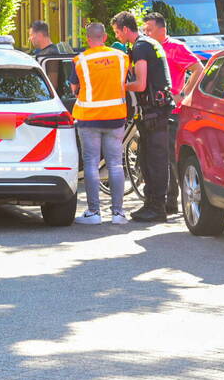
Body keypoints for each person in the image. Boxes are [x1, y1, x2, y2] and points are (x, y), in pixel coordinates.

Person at [111, 11, 174, 223]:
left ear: (125, 29)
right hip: (158, 110)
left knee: (153, 161)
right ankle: (153, 204)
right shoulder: (149, 44)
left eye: (117, 32)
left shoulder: (140, 47)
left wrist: (119, 86)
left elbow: (140, 84)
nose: (118, 36)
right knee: (150, 159)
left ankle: (156, 207)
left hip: (153, 112)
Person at [143, 11, 205, 213]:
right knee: (159, 155)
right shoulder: (149, 48)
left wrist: (184, 94)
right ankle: (166, 198)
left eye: (150, 30)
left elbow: (198, 68)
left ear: (163, 30)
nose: (147, 33)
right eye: (145, 30)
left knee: (170, 155)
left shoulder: (176, 47)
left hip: (173, 109)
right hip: (156, 108)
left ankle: (173, 200)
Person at [68, 23, 130, 225]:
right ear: (104, 37)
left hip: (89, 119)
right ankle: (118, 213)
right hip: (115, 117)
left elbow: (74, 88)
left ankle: (94, 213)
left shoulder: (80, 61)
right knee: (115, 163)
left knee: (91, 164)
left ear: (88, 39)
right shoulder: (121, 58)